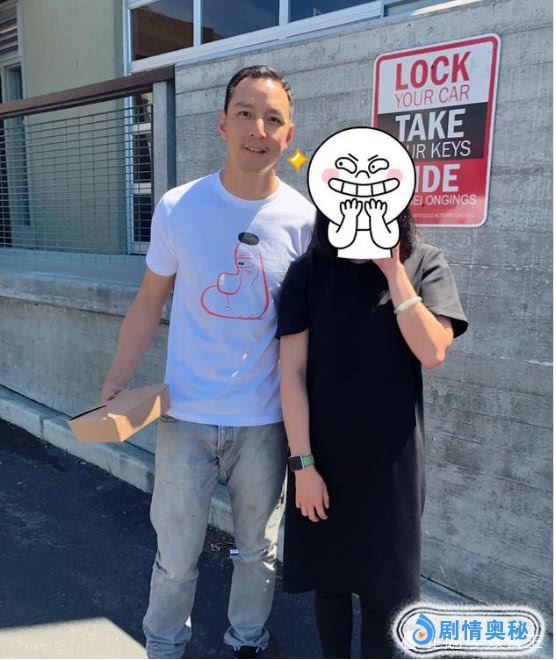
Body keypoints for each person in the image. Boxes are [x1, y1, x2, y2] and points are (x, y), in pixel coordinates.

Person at [100, 65, 315, 659]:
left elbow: (308, 332)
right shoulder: (179, 207)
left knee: (258, 550)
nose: (257, 129)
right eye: (245, 114)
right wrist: (117, 378)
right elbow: (150, 301)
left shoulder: (304, 222)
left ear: (288, 135)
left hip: (264, 421)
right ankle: (164, 644)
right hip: (185, 416)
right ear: (223, 124)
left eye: (272, 119)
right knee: (175, 554)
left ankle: (247, 640)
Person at [276, 207, 468, 658]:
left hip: (392, 464)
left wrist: (394, 273)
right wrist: (303, 465)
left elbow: (432, 352)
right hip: (322, 459)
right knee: (330, 584)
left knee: (387, 590)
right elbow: (292, 373)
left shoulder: (425, 262)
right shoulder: (308, 271)